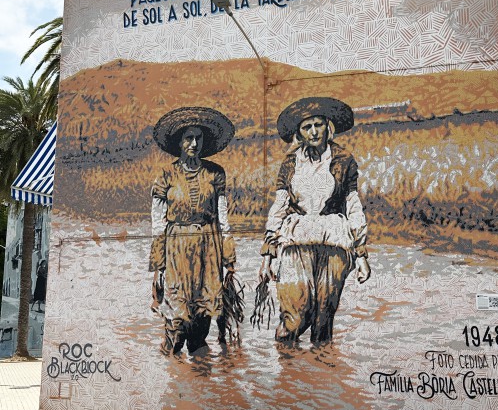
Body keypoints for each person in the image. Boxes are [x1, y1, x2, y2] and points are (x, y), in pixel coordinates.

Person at [259, 96, 371, 344]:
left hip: (333, 242)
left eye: (318, 125)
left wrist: (361, 256)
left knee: (323, 321)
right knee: (294, 319)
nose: (313, 132)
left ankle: (320, 376)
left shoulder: (344, 160)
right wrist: (267, 257)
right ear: (299, 133)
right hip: (296, 242)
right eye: (306, 127)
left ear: (327, 126)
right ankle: (287, 375)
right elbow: (279, 207)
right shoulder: (290, 163)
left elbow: (353, 205)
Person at [149, 106, 237, 355]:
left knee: (202, 321)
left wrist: (229, 259)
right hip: (176, 247)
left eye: (198, 138)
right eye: (188, 137)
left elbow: (223, 218)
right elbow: (158, 224)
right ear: (179, 142)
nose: (194, 143)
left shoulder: (215, 173)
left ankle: (200, 378)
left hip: (208, 249)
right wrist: (159, 266)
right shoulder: (165, 176)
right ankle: (173, 368)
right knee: (177, 321)